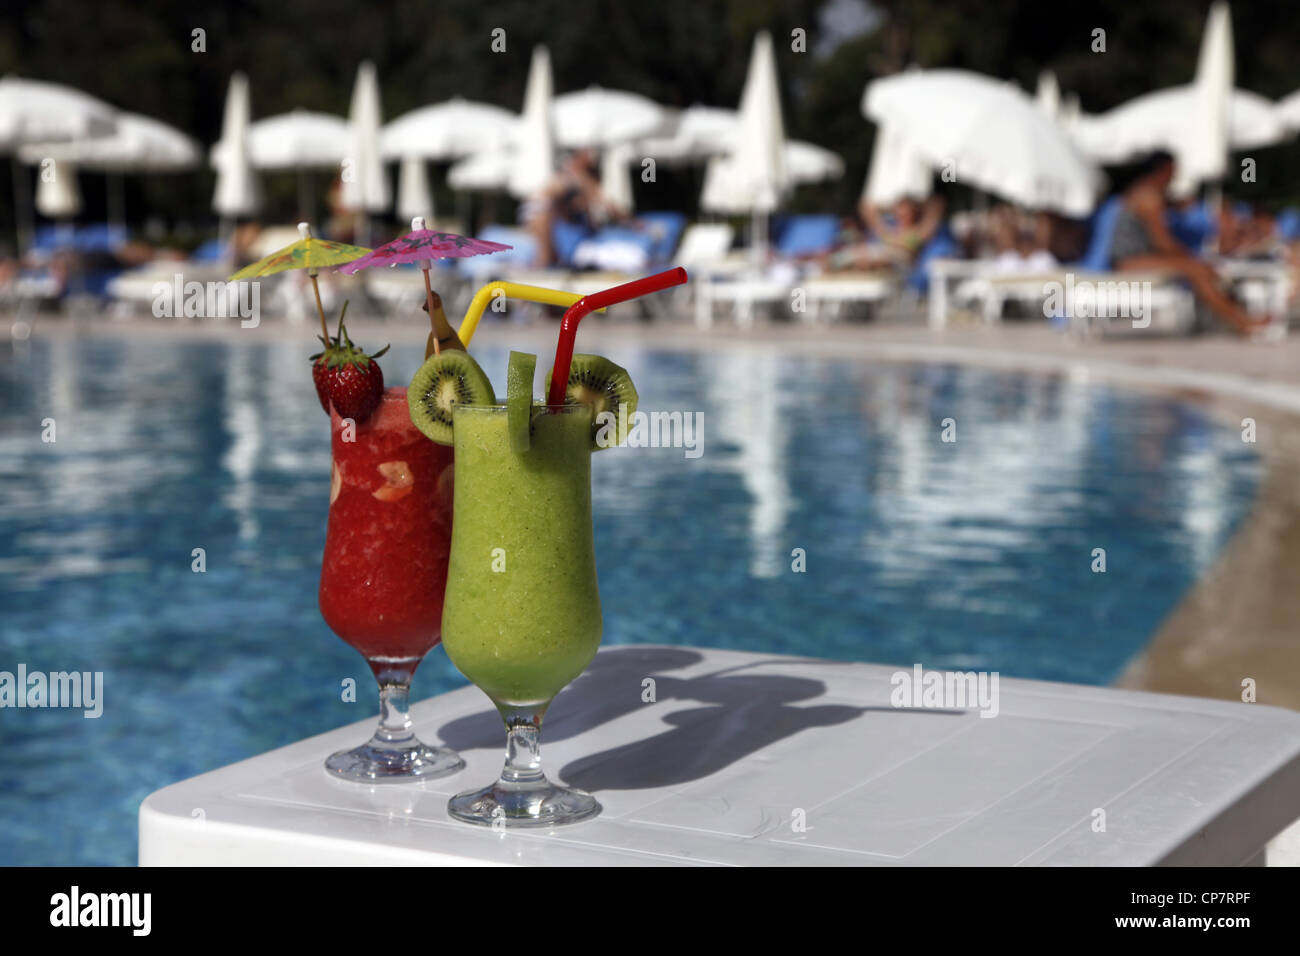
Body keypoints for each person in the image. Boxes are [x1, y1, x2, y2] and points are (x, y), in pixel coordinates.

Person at [1111, 150, 1271, 336]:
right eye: (1173, 170)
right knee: (1197, 269)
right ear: (1163, 170)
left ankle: (1237, 318)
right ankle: (1241, 322)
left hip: (1133, 257)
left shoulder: (1145, 191)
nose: (1175, 176)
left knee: (1200, 268)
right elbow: (1163, 243)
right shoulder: (1149, 198)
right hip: (1130, 260)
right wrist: (1192, 258)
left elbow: (1171, 210)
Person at [524, 149, 626, 267]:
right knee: (546, 256)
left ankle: (544, 264)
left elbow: (591, 201)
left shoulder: (567, 175)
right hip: (542, 210)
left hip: (539, 208)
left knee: (547, 254)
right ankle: (543, 264)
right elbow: (601, 200)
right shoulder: (577, 176)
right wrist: (626, 220)